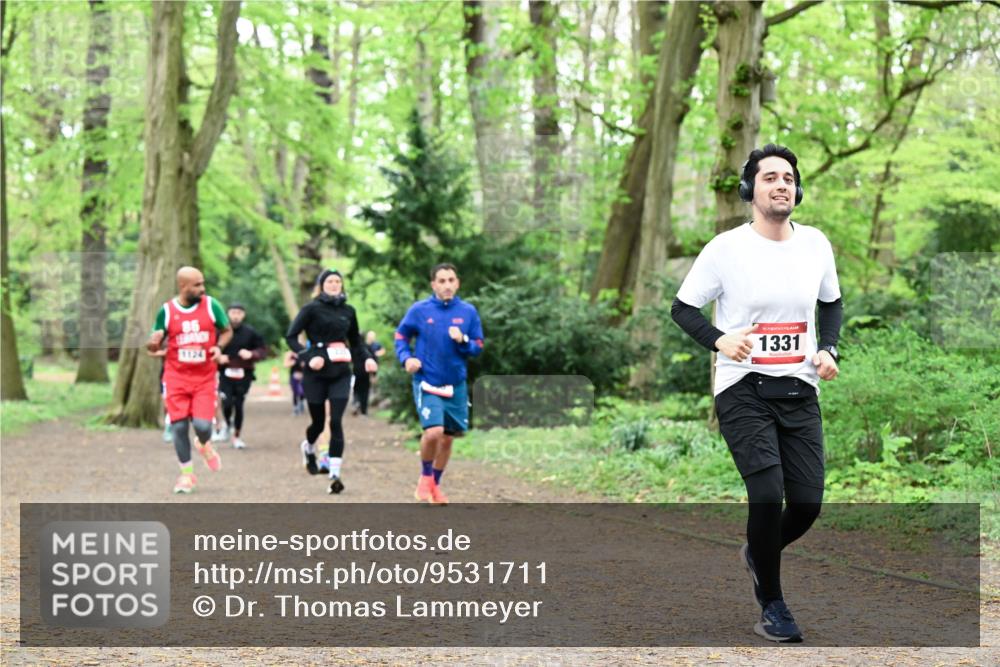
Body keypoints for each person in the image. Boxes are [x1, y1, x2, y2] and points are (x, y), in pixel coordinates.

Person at [671, 144, 842, 643]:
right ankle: (773, 604)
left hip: (799, 386)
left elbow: (831, 303)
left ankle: (757, 552)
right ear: (750, 190)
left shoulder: (816, 244)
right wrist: (719, 340)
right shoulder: (725, 249)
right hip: (742, 387)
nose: (781, 185)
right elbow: (682, 308)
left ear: (797, 189)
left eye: (788, 178)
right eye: (769, 178)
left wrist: (829, 348)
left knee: (806, 504)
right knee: (767, 495)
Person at [395, 263, 484, 506]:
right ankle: (426, 476)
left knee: (447, 439)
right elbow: (401, 336)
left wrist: (463, 339)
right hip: (427, 381)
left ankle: (435, 484)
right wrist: (407, 358)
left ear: (458, 283)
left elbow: (478, 346)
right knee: (433, 432)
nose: (447, 285)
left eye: (451, 280)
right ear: (433, 284)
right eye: (442, 281)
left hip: (455, 384)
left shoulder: (468, 312)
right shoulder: (420, 310)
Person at [285, 269, 378, 494]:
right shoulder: (311, 309)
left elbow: (355, 341)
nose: (335, 284)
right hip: (316, 372)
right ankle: (309, 447)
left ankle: (335, 473)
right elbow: (291, 337)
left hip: (340, 372)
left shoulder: (348, 311)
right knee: (318, 424)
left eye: (338, 281)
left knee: (335, 421)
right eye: (330, 281)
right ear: (321, 285)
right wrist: (308, 357)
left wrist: (367, 359)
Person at [147, 266, 233, 494]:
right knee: (178, 426)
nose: (202, 288)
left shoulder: (211, 306)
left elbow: (226, 330)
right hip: (175, 376)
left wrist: (218, 347)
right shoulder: (167, 311)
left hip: (204, 378)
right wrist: (153, 342)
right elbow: (152, 345)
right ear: (182, 286)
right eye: (197, 285)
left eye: (202, 283)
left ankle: (204, 444)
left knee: (203, 427)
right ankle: (186, 475)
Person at [216, 302, 268, 449]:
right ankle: (227, 423)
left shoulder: (251, 332)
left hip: (244, 374)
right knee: (226, 403)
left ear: (243, 315)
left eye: (239, 313)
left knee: (239, 405)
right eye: (233, 313)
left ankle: (237, 436)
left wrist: (252, 354)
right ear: (227, 314)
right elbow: (210, 349)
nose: (236, 316)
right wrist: (219, 357)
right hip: (225, 373)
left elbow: (263, 350)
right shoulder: (220, 332)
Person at [351, 330, 385, 416]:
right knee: (365, 391)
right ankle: (363, 410)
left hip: (356, 372)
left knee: (356, 389)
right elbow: (373, 360)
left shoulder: (352, 348)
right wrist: (374, 374)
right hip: (366, 373)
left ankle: (356, 403)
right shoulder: (367, 347)